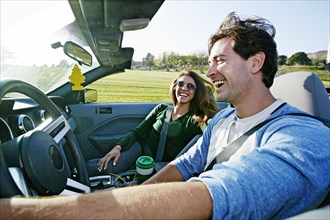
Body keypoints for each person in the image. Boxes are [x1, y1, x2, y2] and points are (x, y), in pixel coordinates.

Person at [0, 12, 329, 220]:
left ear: (255, 63)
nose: (209, 72)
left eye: (220, 61)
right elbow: (184, 166)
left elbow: (225, 193)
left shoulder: (302, 136)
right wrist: (136, 193)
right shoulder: (222, 122)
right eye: (209, 62)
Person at [86, 69, 219, 177]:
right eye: (180, 84)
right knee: (106, 166)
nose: (184, 88)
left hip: (161, 166)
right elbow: (137, 132)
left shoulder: (197, 120)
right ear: (174, 87)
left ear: (196, 93)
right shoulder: (161, 109)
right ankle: (75, 173)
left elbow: (212, 131)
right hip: (140, 150)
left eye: (190, 86)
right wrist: (117, 148)